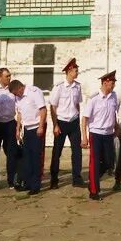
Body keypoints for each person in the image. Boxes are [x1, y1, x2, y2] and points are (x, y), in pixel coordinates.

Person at [82, 71, 118, 201]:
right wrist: (84, 137)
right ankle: (94, 191)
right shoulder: (94, 99)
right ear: (105, 83)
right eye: (112, 83)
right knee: (95, 163)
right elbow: (84, 118)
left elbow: (114, 114)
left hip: (109, 133)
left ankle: (93, 180)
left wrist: (117, 127)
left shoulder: (114, 96)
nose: (113, 85)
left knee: (109, 162)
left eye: (114, 83)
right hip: (96, 133)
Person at [49, 58, 85, 189]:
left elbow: (77, 104)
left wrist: (79, 118)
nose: (77, 72)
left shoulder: (78, 86)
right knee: (56, 152)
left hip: (73, 122)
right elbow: (53, 106)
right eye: (76, 70)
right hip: (61, 122)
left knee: (77, 151)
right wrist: (55, 125)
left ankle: (77, 178)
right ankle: (54, 179)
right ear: (69, 71)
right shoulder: (58, 87)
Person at [8, 79, 47, 195]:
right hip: (26, 129)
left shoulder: (34, 92)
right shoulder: (18, 97)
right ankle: (28, 183)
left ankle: (35, 185)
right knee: (27, 158)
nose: (16, 96)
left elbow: (43, 110)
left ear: (19, 88)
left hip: (36, 128)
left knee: (36, 158)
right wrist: (17, 128)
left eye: (16, 93)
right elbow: (19, 113)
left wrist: (41, 127)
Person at [0, 67, 18, 190]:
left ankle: (12, 180)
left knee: (11, 152)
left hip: (10, 123)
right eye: (7, 76)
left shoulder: (13, 89)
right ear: (0, 77)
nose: (9, 78)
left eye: (10, 75)